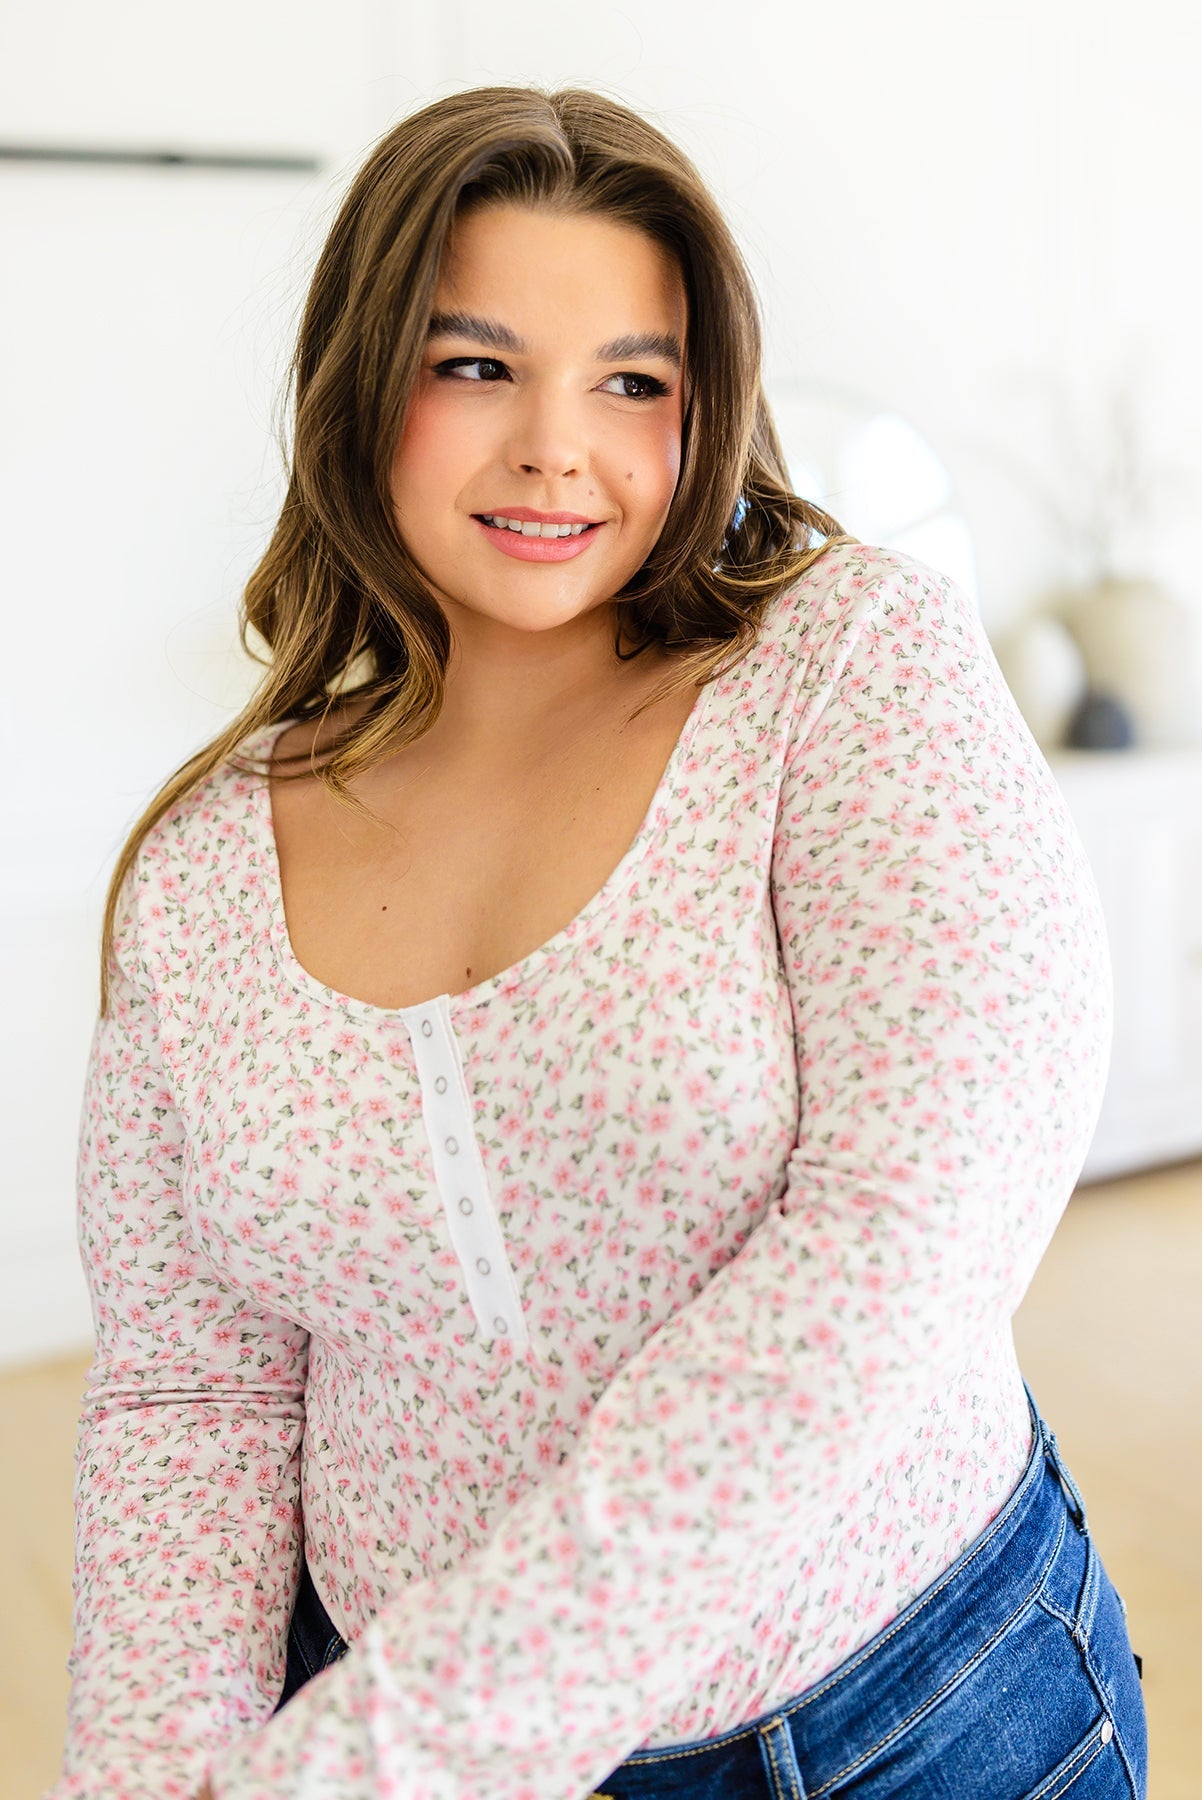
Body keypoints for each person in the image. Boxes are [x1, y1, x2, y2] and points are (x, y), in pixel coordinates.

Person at [52, 84, 1147, 1800]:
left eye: (632, 381)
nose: (555, 446)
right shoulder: (203, 869)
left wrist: (397, 1755)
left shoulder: (846, 674)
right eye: (474, 365)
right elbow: (195, 1396)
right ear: (360, 383)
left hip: (914, 1725)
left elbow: (905, 1242)